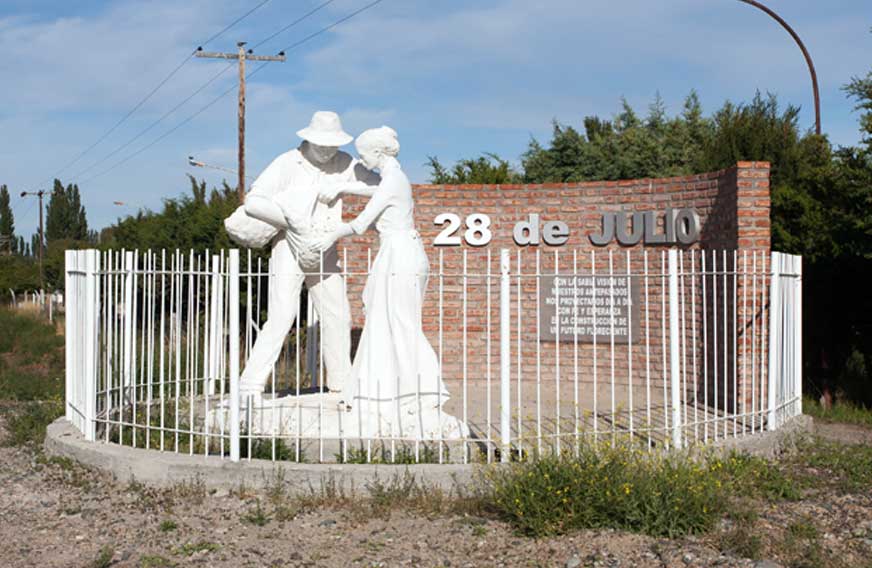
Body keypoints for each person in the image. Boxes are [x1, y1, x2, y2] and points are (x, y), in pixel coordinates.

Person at [309, 126, 453, 438]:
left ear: (378, 153)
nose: (361, 160)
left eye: (363, 154)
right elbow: (377, 192)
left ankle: (424, 391)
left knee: (400, 324)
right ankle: (390, 391)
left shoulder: (394, 180)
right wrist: (344, 187)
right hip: (398, 252)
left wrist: (330, 235)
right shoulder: (394, 179)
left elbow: (360, 224)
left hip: (399, 255)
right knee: (385, 321)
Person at [237, 111, 378, 398]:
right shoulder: (288, 162)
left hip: (324, 246)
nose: (327, 151)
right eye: (321, 145)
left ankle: (341, 385)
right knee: (281, 315)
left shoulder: (345, 163)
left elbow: (379, 186)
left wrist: (343, 185)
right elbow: (253, 202)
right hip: (290, 245)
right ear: (309, 139)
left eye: (332, 145)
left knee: (338, 314)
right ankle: (249, 386)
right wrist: (293, 220)